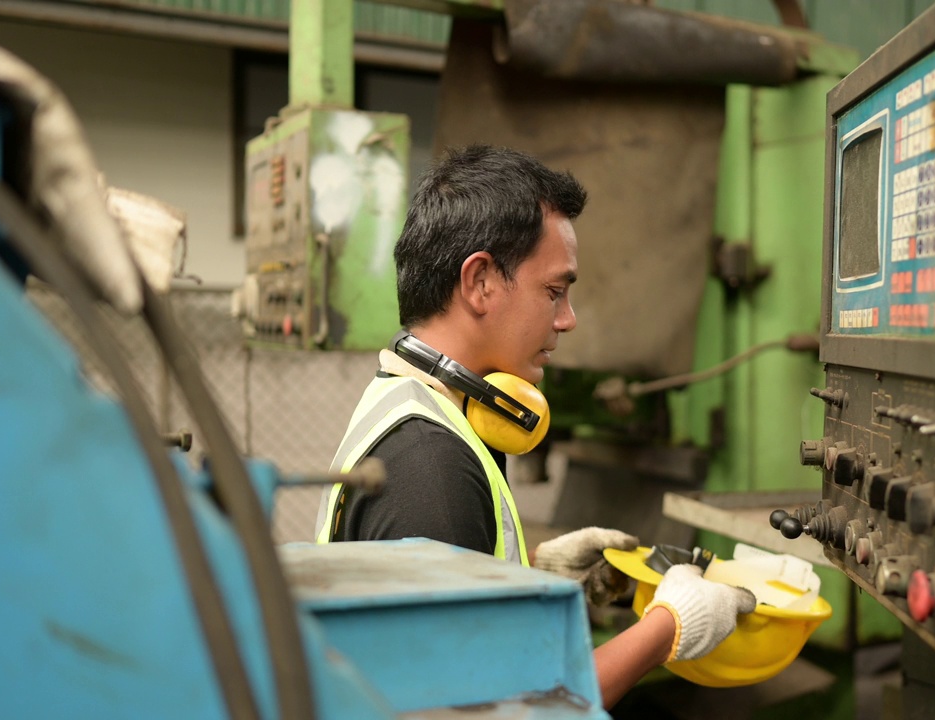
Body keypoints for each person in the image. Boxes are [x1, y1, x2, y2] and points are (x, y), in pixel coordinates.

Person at [314, 145, 755, 709]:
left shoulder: (404, 402)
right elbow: (501, 708)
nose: (567, 319)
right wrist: (670, 628)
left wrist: (526, 580)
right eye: (554, 291)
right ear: (480, 282)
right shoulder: (430, 468)